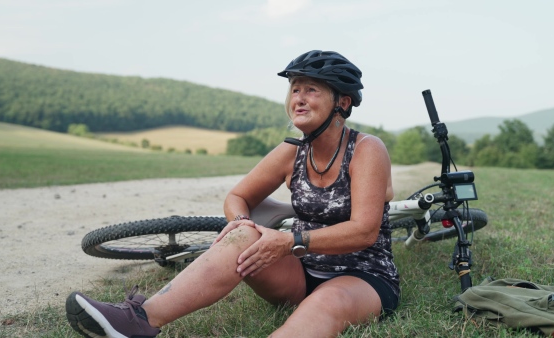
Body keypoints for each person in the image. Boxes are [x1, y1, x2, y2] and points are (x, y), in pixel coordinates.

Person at [65, 50, 400, 338]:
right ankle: (137, 321)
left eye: (311, 89)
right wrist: (242, 225)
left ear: (342, 102)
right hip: (300, 273)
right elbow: (237, 197)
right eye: (294, 89)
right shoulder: (291, 153)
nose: (298, 97)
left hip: (363, 277)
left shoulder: (367, 150)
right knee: (242, 235)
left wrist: (289, 241)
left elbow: (364, 230)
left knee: (325, 304)